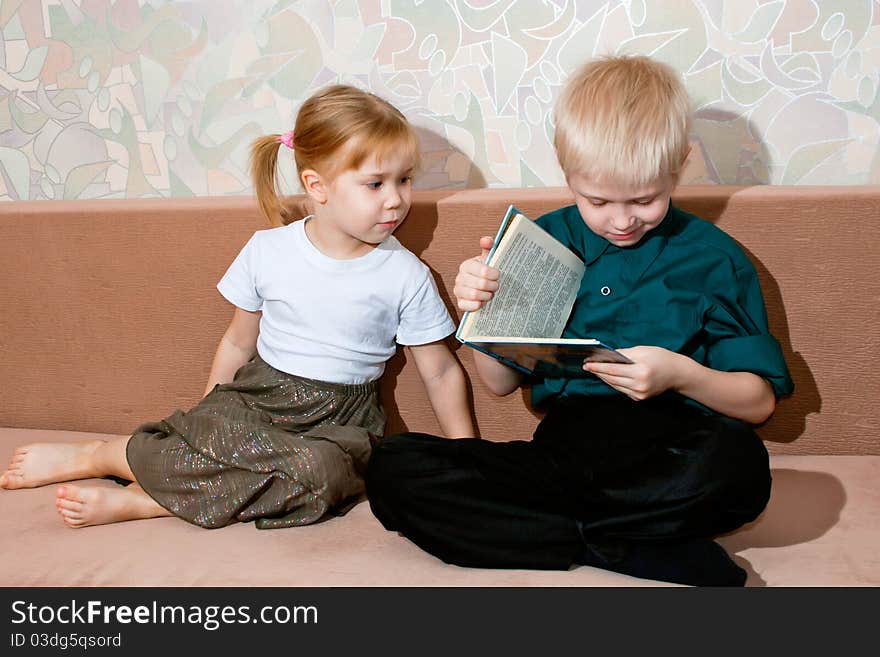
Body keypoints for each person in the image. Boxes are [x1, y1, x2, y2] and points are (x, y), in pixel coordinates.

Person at [365, 56, 794, 586]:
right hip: (564, 453)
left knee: (740, 467)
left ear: (679, 166)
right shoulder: (541, 242)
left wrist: (681, 374)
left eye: (645, 199)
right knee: (393, 469)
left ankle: (558, 535)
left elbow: (757, 403)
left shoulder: (714, 258)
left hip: (673, 449)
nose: (622, 220)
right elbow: (499, 385)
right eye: (597, 201)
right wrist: (481, 313)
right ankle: (622, 546)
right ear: (567, 173)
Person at [0, 84, 474, 530]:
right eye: (376, 184)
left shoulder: (404, 273)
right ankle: (100, 455)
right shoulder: (268, 250)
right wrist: (206, 422)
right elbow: (237, 340)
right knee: (201, 443)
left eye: (405, 180)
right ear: (318, 185)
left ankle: (148, 502)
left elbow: (440, 372)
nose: (396, 200)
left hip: (337, 422)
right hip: (261, 394)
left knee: (326, 476)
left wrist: (470, 458)